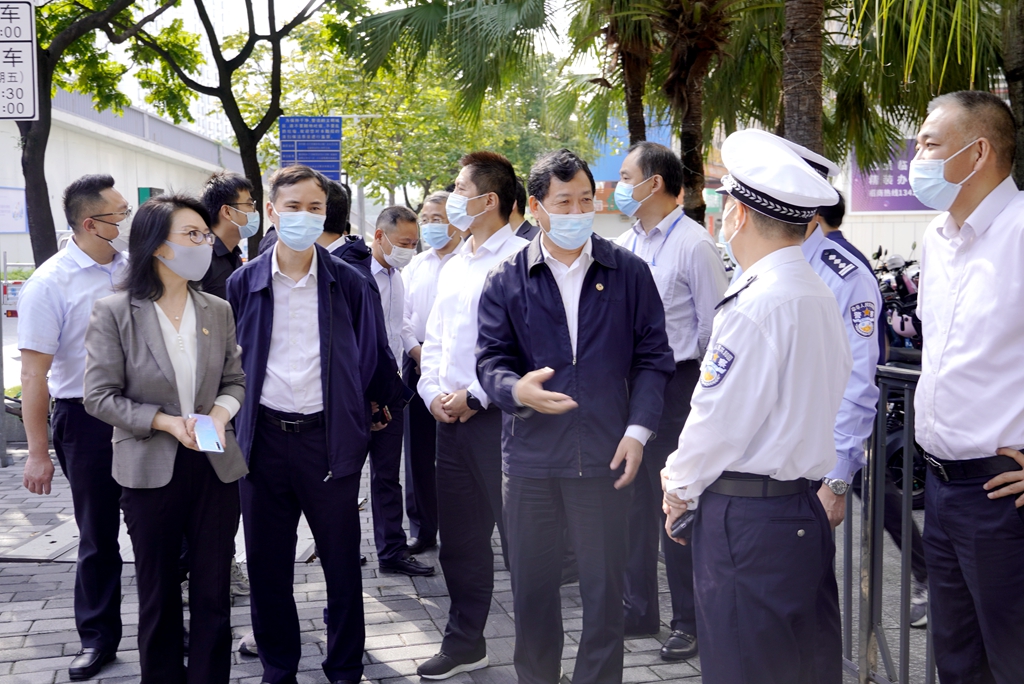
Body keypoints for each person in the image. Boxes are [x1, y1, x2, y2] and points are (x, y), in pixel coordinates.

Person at [477, 148, 675, 684]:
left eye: (586, 200)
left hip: (606, 455)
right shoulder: (506, 278)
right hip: (531, 459)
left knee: (605, 593)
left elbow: (654, 358)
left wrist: (638, 432)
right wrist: (517, 390)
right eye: (564, 202)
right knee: (533, 593)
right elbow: (489, 361)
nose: (577, 211)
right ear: (536, 207)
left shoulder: (628, 271)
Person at [662, 130, 851, 684]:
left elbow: (717, 422)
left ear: (738, 213)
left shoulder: (756, 302)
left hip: (747, 522)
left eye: (724, 203)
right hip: (798, 510)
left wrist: (677, 487)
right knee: (806, 667)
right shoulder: (815, 292)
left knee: (742, 667)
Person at [226, 164, 389, 684]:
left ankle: (344, 668)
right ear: (272, 212)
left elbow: (370, 358)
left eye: (314, 207)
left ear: (325, 214)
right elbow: (230, 363)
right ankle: (279, 668)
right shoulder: (243, 282)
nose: (303, 216)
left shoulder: (351, 283)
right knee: (267, 567)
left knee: (341, 565)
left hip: (328, 441)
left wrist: (353, 421)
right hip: (263, 442)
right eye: (292, 206)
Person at [83, 194, 247, 683]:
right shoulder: (115, 311)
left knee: (214, 592)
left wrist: (218, 414)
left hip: (214, 463)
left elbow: (235, 381)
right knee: (157, 593)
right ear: (157, 244)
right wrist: (166, 422)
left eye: (205, 234)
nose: (205, 243)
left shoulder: (217, 309)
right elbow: (99, 396)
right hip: (148, 466)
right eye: (192, 234)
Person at [910, 90, 1024, 684]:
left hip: (1002, 495)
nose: (917, 159)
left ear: (978, 153)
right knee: (957, 662)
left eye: (929, 145)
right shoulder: (938, 236)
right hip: (941, 488)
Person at [414, 151, 529, 679]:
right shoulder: (457, 262)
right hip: (451, 423)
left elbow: (528, 349)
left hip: (504, 421)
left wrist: (476, 396)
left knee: (524, 543)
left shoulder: (524, 259)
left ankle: (538, 656)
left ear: (488, 200)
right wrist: (433, 394)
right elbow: (436, 339)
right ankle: (465, 642)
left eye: (460, 188)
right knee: (460, 541)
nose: (452, 196)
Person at [613, 141, 729, 659]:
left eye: (625, 177)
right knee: (632, 503)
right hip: (629, 387)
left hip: (679, 385)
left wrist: (695, 390)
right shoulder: (624, 243)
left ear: (654, 183)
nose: (619, 187)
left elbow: (714, 329)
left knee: (676, 503)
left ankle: (689, 620)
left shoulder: (693, 244)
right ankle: (638, 610)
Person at [18, 174, 129, 681]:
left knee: (162, 529)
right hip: (85, 421)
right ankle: (98, 638)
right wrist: (37, 451)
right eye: (120, 215)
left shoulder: (136, 267)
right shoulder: (50, 283)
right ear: (91, 224)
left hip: (146, 414)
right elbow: (33, 375)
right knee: (98, 534)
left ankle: (166, 625)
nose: (127, 222)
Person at [366, 205, 435, 576]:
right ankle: (341, 550)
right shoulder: (357, 274)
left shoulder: (397, 277)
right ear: (380, 236)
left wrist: (418, 354)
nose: (409, 250)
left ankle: (391, 552)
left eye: (413, 243)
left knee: (387, 475)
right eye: (403, 243)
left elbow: (401, 324)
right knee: (346, 475)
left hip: (392, 387)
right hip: (361, 392)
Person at [197, 171, 255, 602]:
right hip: (204, 395)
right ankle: (193, 573)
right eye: (248, 204)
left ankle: (222, 563)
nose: (252, 212)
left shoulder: (236, 259)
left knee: (225, 485)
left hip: (232, 392)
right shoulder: (202, 261)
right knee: (203, 484)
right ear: (227, 211)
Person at [401, 192, 464, 555]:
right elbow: (402, 318)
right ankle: (423, 528)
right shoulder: (416, 266)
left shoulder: (469, 261)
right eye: (425, 219)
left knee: (460, 450)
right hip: (418, 360)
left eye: (437, 218)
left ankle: (463, 528)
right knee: (418, 451)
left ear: (455, 221)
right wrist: (418, 352)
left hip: (458, 366)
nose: (429, 226)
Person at [199, 172, 257, 299]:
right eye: (249, 205)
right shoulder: (203, 257)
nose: (255, 211)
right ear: (227, 212)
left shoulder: (234, 255)